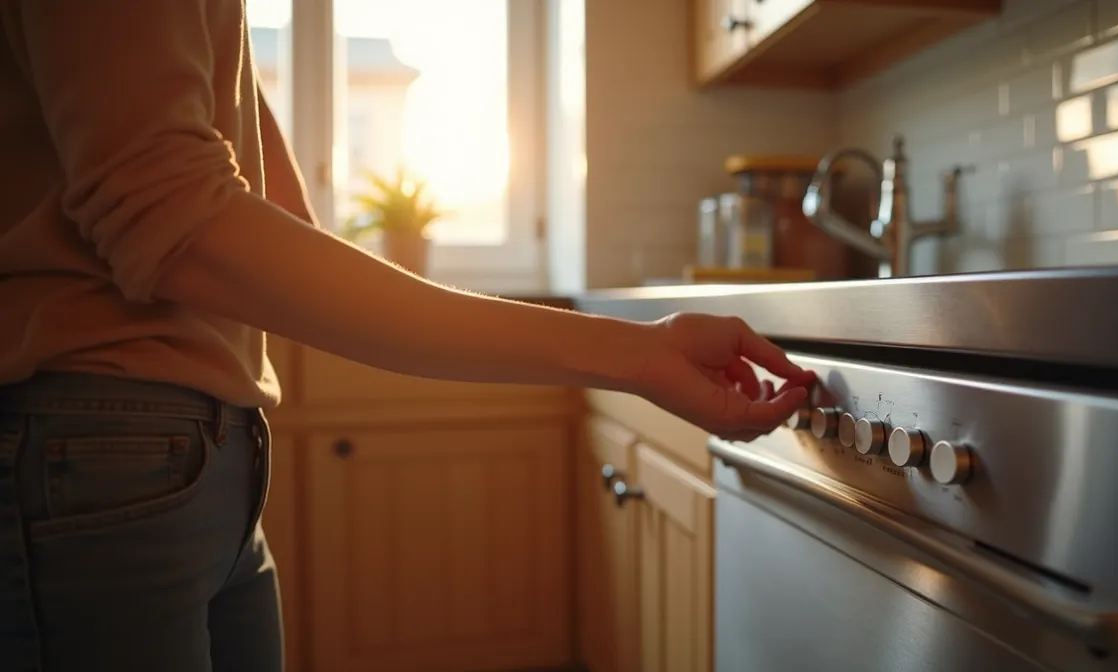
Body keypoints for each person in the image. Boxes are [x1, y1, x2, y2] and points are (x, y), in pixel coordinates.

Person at [0, 1, 815, 670]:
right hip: (97, 446)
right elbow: (175, 218)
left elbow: (277, 222)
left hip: (204, 461)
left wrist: (631, 353)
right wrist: (631, 353)